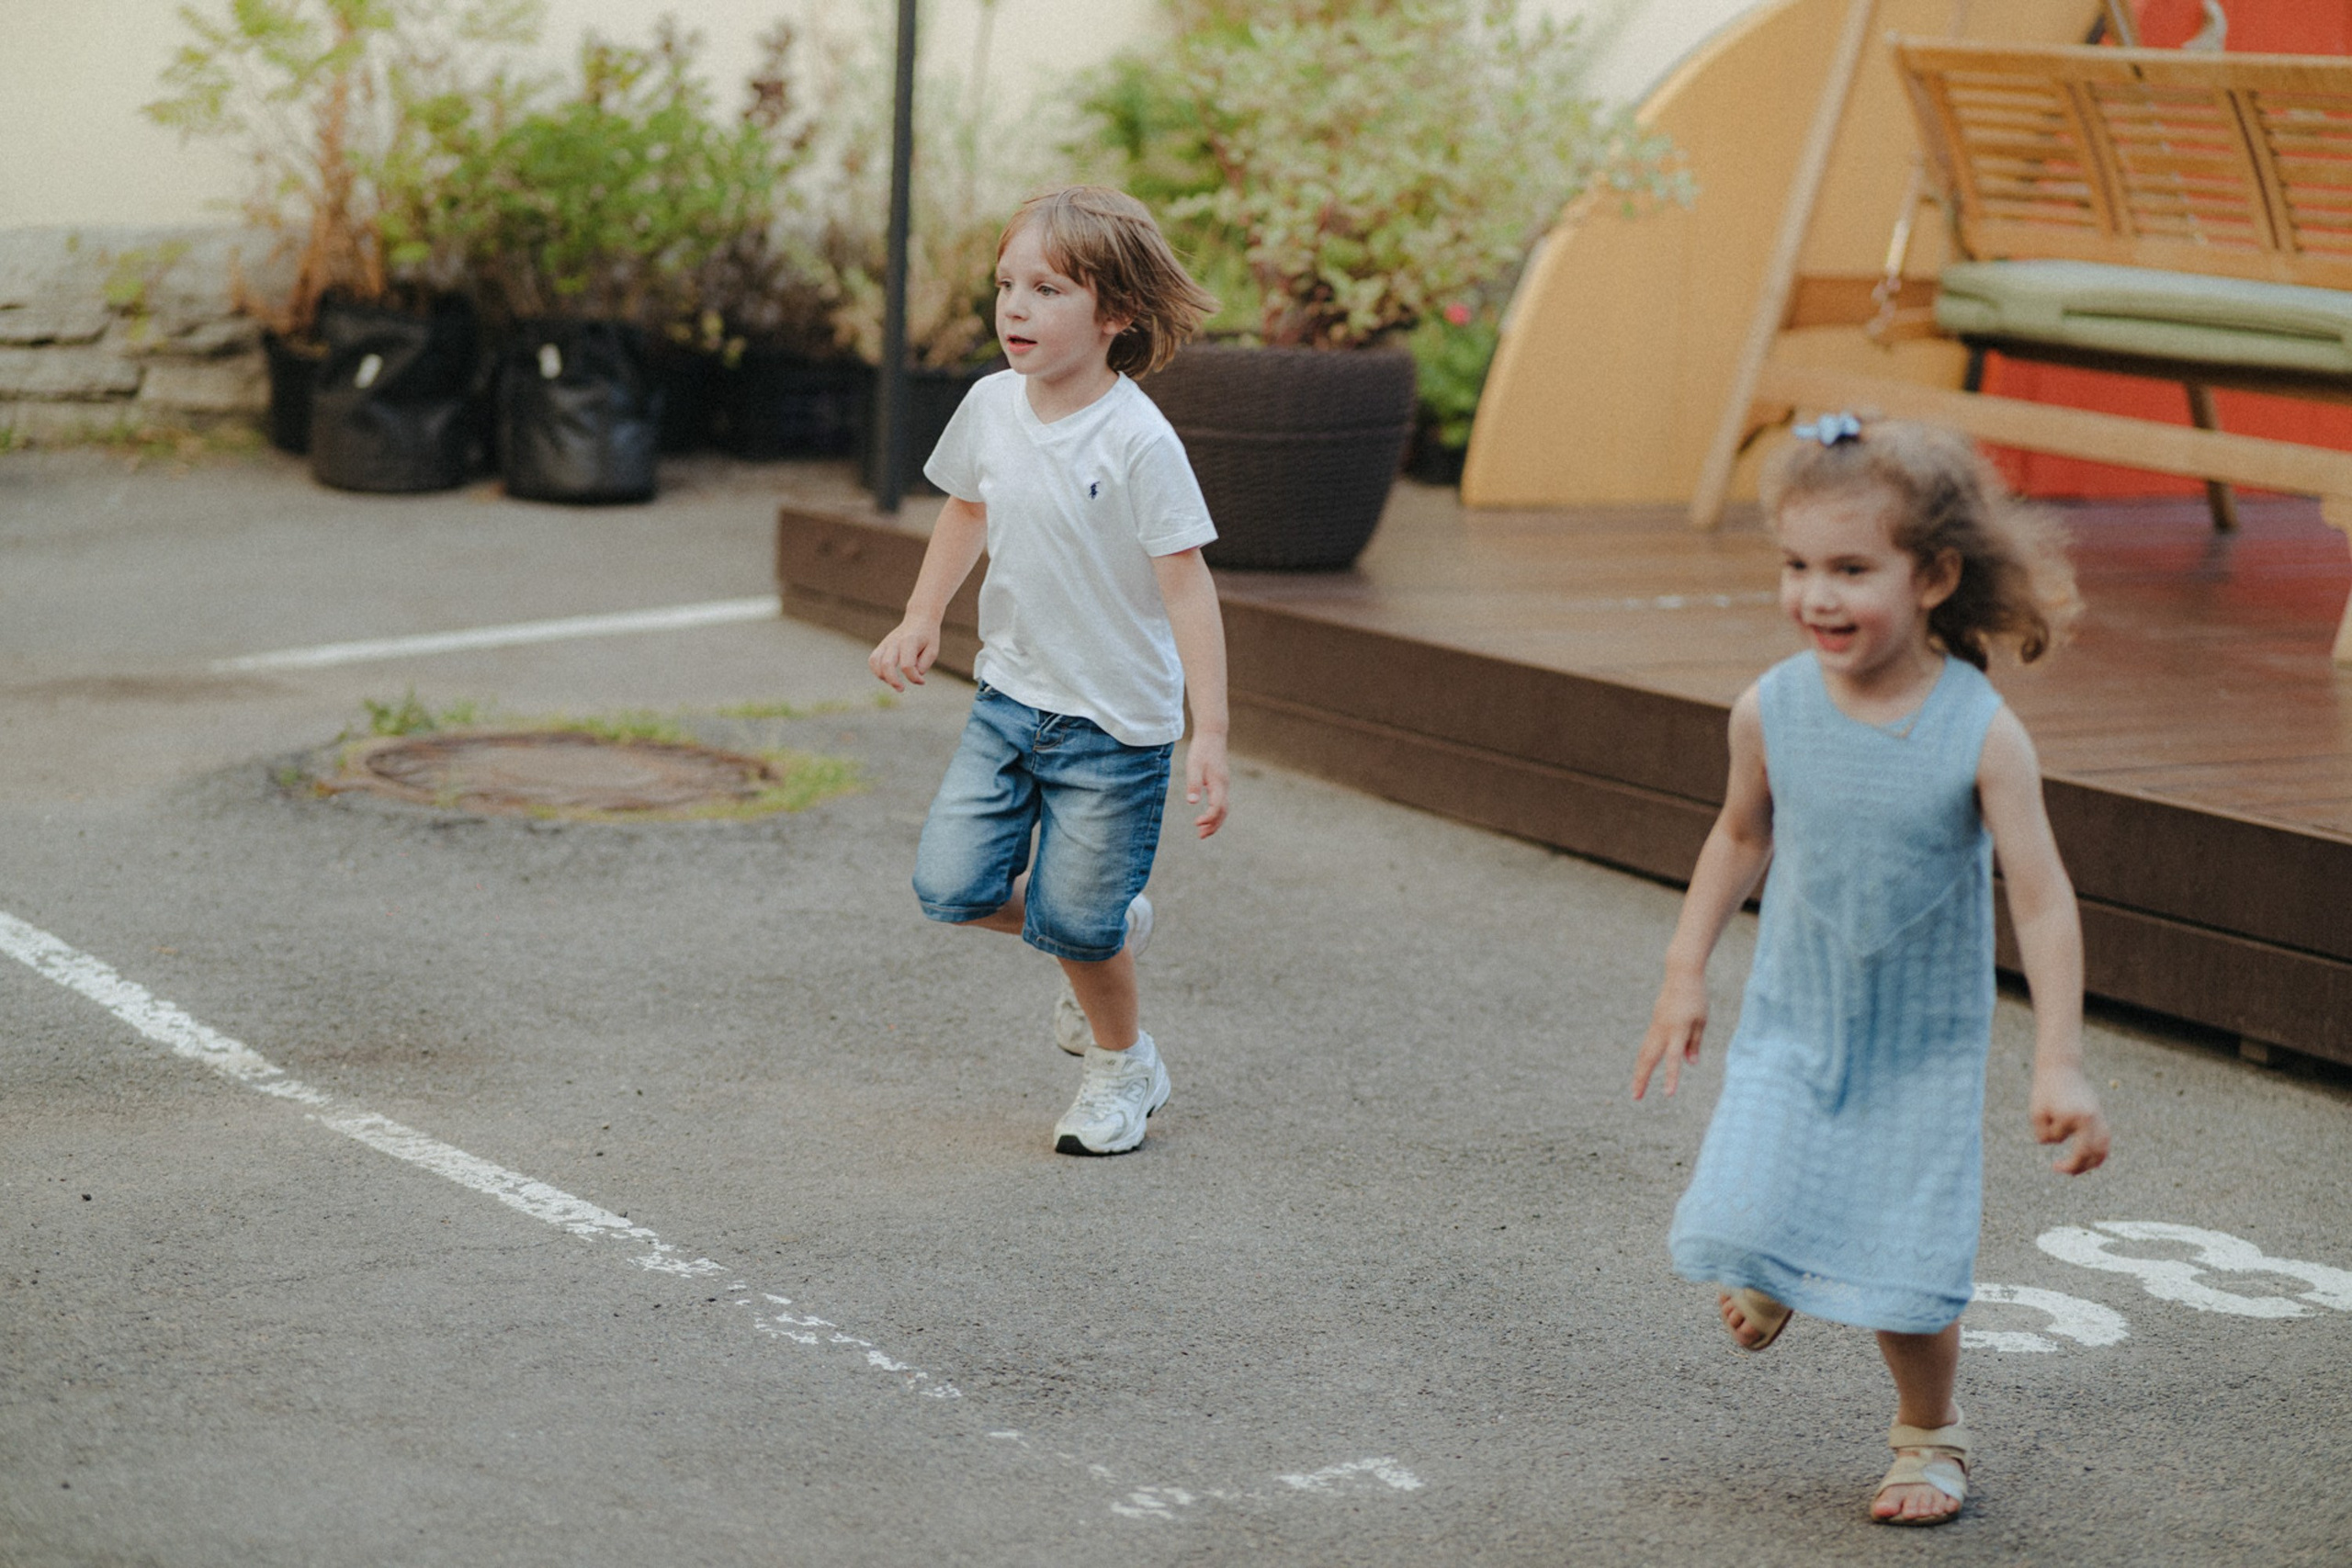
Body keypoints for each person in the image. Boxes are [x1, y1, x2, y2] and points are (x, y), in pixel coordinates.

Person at [1632, 414, 2112, 1526]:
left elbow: (2040, 899)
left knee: (1907, 1261)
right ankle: (1777, 1268)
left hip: (1920, 1049)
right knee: (1749, 1183)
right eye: (1797, 567)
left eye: (1852, 569)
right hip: (1796, 1018)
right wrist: (1683, 970)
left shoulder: (1978, 732)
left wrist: (2060, 1062)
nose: (1818, 597)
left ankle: (1927, 1436)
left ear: (1934, 574)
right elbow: (1739, 836)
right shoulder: (1772, 708)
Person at [869, 185, 1227, 1157]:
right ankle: (1105, 927)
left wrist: (1212, 736)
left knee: (1077, 922)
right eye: (1005, 286)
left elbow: (1188, 589)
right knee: (952, 887)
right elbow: (967, 512)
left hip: (1114, 728)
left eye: (1047, 290)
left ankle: (1123, 1068)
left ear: (1115, 315)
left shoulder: (1139, 440)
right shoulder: (991, 404)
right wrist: (918, 616)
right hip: (1008, 702)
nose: (1014, 308)